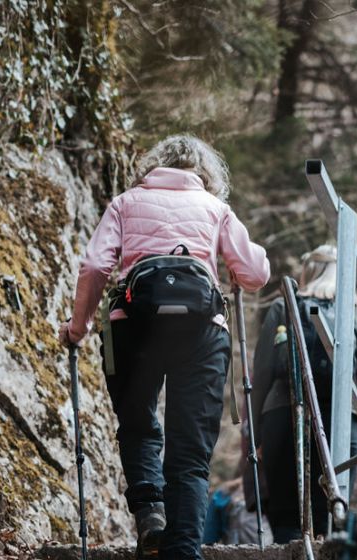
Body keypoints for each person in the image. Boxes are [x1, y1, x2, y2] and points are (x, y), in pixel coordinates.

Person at [57, 134, 270, 559]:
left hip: (133, 327)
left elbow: (97, 264)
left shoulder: (125, 202)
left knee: (138, 427)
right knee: (190, 452)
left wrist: (77, 327)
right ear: (205, 174)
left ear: (153, 167)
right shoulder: (216, 209)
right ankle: (184, 550)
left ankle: (151, 515)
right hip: (202, 333)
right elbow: (255, 274)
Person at [250, 244, 357, 543]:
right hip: (341, 423)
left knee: (287, 513)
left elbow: (261, 373)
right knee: (332, 513)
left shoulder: (284, 307)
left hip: (283, 416)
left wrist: (254, 434)